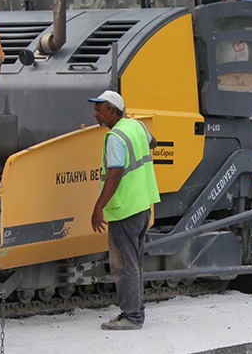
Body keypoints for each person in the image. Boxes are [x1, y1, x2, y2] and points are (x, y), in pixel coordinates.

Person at [88, 90, 160, 330]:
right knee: (135, 262)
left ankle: (131, 316)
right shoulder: (136, 126)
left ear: (113, 111)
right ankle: (136, 310)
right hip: (142, 205)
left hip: (125, 209)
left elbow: (115, 174)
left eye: (100, 109)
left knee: (123, 264)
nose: (95, 113)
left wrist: (98, 207)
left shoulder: (115, 138)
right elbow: (154, 142)